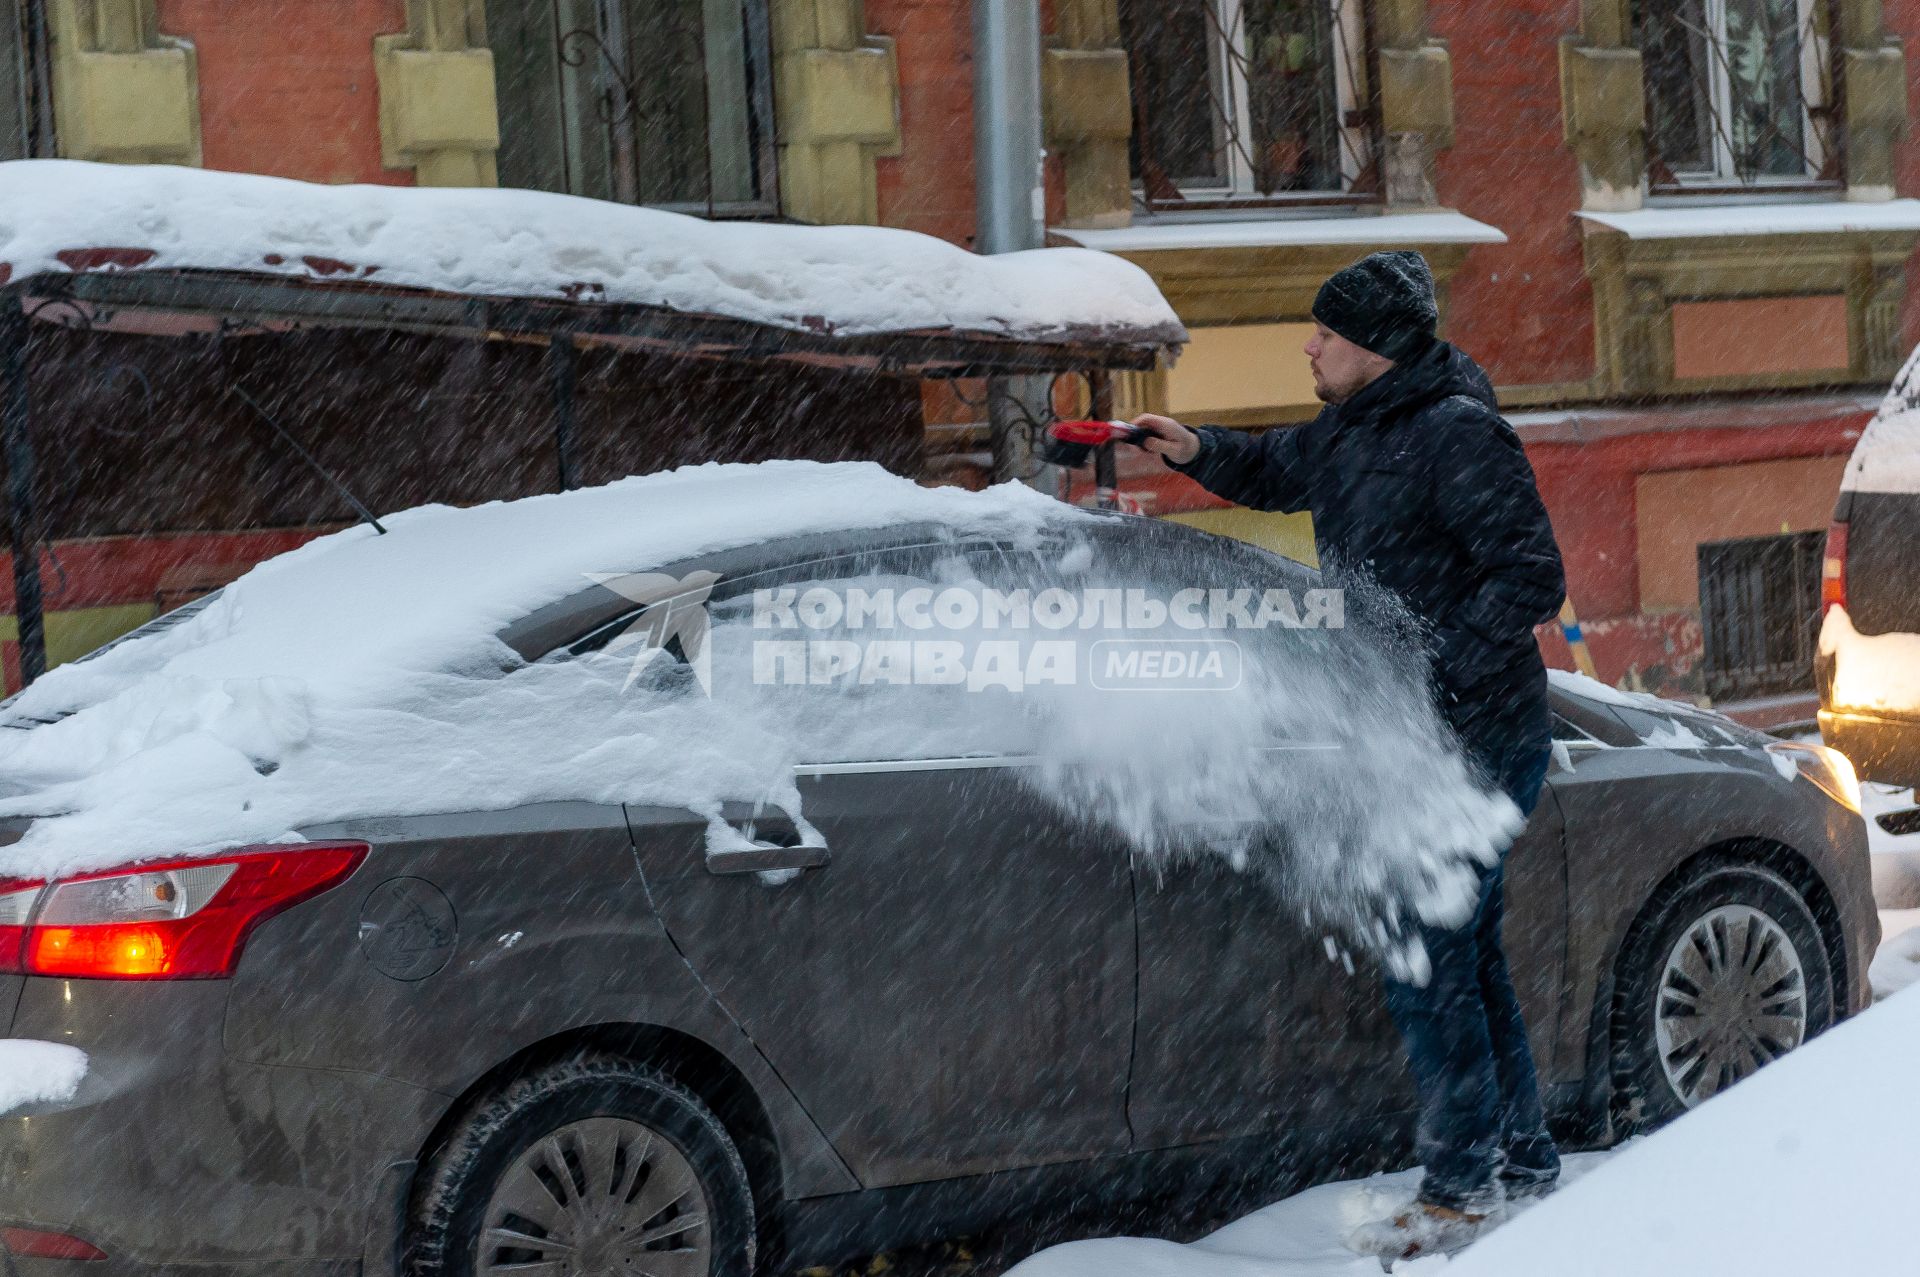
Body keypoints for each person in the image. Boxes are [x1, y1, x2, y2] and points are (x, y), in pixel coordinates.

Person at [1126, 249, 1568, 1258]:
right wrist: (1193, 443)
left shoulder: (1458, 434)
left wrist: (1429, 674)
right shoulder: (1354, 430)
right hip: (1417, 735)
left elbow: (1530, 577)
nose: (1310, 343)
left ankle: (1461, 1186)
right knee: (1464, 952)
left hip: (1477, 739)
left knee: (1427, 954)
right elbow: (1279, 465)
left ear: (1372, 346)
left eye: (1325, 330)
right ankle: (1521, 1156)